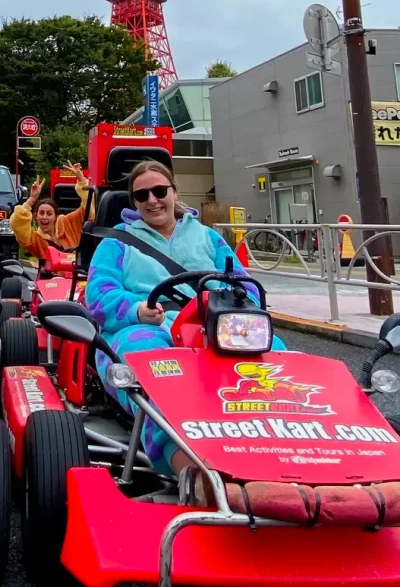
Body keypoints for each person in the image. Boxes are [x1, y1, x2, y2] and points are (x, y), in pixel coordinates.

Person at [85, 159, 284, 482]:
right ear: (133, 202)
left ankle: (299, 450)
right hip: (145, 325)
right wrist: (137, 309)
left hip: (213, 325)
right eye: (142, 195)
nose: (152, 200)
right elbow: (98, 295)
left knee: (277, 355)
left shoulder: (208, 237)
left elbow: (245, 286)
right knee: (154, 370)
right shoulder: (116, 242)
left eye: (159, 191)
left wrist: (234, 307)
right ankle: (192, 472)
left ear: (174, 192)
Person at [10, 163, 94, 261]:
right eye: (41, 213)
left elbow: (89, 210)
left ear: (55, 216)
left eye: (49, 214)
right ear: (36, 217)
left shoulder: (68, 223)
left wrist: (81, 179)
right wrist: (32, 199)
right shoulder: (36, 240)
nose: (45, 217)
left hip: (78, 269)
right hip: (51, 271)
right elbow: (16, 224)